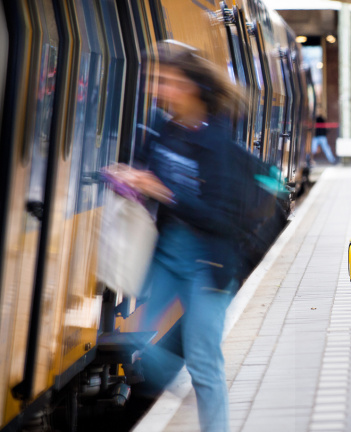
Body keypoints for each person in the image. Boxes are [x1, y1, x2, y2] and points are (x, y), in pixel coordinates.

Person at [115, 42, 247, 432]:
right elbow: (146, 175)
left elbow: (222, 218)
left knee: (205, 364)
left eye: (166, 81)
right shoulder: (161, 128)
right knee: (141, 351)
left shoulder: (219, 140)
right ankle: (177, 349)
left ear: (189, 86)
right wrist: (128, 180)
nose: (157, 88)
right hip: (167, 257)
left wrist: (164, 191)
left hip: (209, 265)